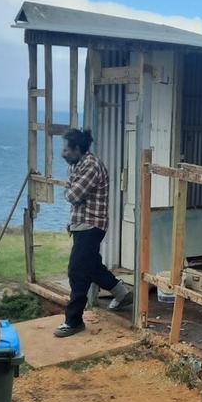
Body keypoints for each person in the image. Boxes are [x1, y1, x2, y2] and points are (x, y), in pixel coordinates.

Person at [54, 128, 131, 338]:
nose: (63, 153)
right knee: (90, 265)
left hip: (91, 225)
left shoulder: (91, 166)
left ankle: (74, 321)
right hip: (81, 224)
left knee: (77, 271)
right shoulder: (77, 164)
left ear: (78, 149)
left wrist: (70, 190)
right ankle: (120, 292)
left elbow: (72, 195)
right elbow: (72, 193)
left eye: (66, 149)